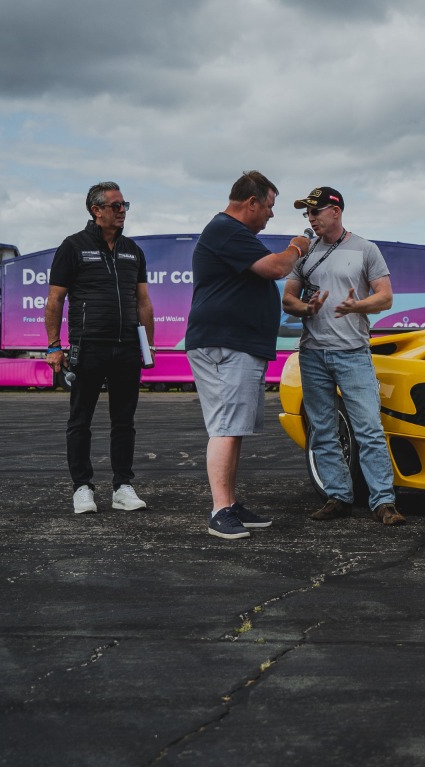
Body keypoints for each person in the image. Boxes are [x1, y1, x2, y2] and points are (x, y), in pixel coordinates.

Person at [186, 171, 310, 540]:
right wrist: (297, 247)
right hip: (225, 344)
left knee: (234, 427)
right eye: (269, 206)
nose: (271, 214)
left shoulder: (231, 235)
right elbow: (275, 267)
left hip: (237, 344)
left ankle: (230, 503)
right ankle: (219, 510)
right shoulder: (226, 229)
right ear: (251, 202)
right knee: (226, 426)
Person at [282, 186, 405, 526]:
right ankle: (338, 497)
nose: (310, 218)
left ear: (335, 211)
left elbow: (386, 297)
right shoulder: (303, 253)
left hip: (352, 353)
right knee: (323, 429)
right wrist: (307, 307)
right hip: (313, 355)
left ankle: (383, 502)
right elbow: (287, 300)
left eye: (316, 211)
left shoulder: (365, 249)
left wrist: (357, 306)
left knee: (368, 429)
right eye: (307, 213)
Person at [45, 181, 154, 514]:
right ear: (96, 210)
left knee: (124, 421)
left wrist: (147, 346)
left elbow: (144, 301)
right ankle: (82, 488)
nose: (122, 212)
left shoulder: (132, 250)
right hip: (87, 347)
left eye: (124, 206)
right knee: (81, 420)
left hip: (125, 350)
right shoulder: (73, 247)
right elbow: (55, 300)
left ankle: (122, 487)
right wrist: (54, 346)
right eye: (116, 206)